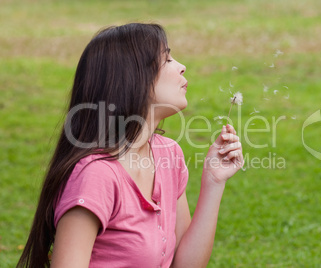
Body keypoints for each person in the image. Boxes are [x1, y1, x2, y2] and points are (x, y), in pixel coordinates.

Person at [17, 23, 244, 268]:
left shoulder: (168, 154)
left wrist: (214, 181)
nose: (181, 66)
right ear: (132, 79)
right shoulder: (96, 175)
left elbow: (184, 263)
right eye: (166, 59)